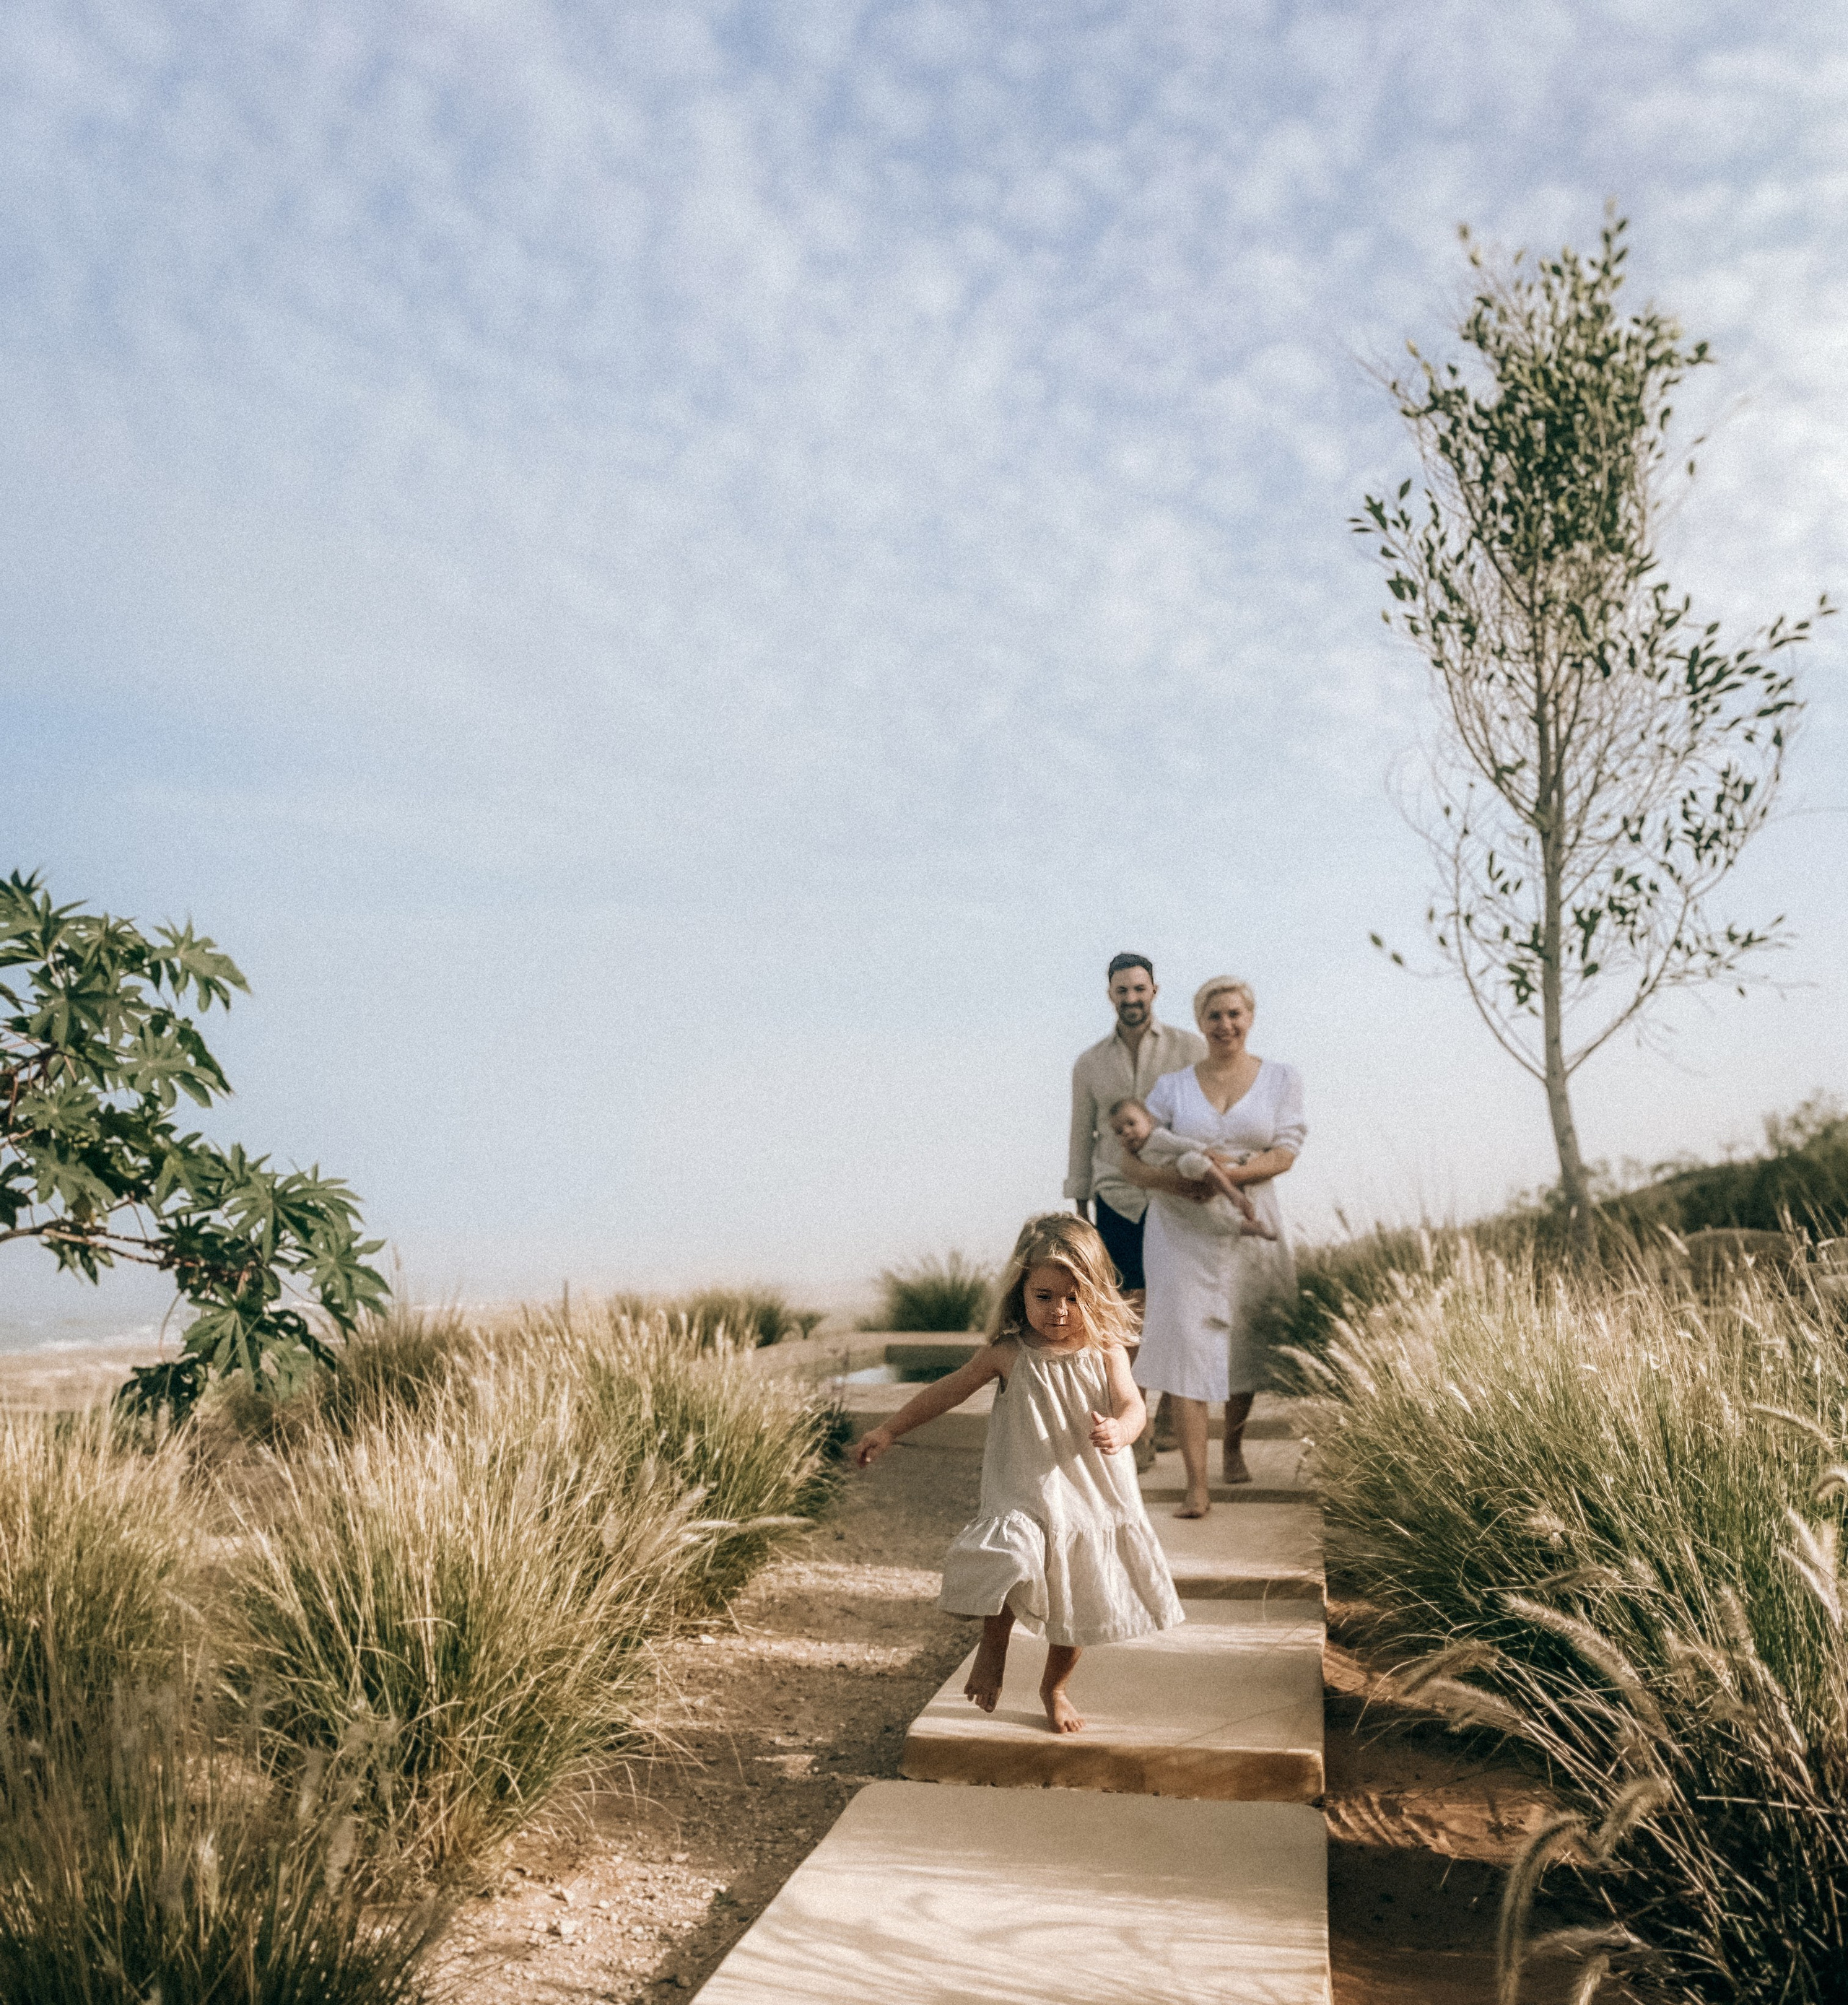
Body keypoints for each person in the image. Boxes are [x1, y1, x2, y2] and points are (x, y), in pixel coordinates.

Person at [854, 1214, 1183, 1734]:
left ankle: (1054, 1687)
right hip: (1024, 1491)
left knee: (1075, 1610)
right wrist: (890, 1429)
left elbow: (1132, 1404)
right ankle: (993, 1647)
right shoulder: (1009, 1353)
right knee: (1010, 1558)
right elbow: (948, 1390)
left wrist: (1122, 1429)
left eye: (1073, 1298)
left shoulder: (1106, 1351)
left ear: (1094, 1294)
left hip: (1088, 1499)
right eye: (1045, 1295)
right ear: (1021, 1292)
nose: (1059, 1311)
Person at [1115, 977, 1304, 1518]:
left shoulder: (1282, 1079)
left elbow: (1287, 1151)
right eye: (1215, 1016)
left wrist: (1234, 1174)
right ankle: (1196, 1484)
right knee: (1186, 1341)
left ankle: (1234, 1446)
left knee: (1247, 1334)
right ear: (1200, 1023)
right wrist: (1182, 1183)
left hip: (1251, 1216)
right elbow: (1133, 1157)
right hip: (1181, 1228)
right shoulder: (1172, 1087)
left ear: (1250, 1016)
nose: (1226, 1024)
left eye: (1235, 1013)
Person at [1065, 954, 1208, 1297]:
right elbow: (1082, 1134)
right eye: (1122, 990)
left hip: (1174, 1190)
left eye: (1139, 989)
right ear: (1110, 994)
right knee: (1123, 1303)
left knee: (1178, 1296)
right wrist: (1082, 1208)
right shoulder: (1089, 1063)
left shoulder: (1190, 1049)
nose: (1131, 998)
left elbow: (1204, 1123)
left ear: (1154, 991)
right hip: (1116, 1196)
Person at [1107, 1097, 1276, 1240]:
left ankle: (1232, 1192)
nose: (1127, 1132)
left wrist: (1204, 1149)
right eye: (1119, 1131)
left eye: (1131, 1123)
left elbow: (1181, 1144)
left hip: (1184, 1168)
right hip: (1176, 1193)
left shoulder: (1157, 1138)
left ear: (1148, 1120)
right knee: (1208, 1222)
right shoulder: (1134, 1157)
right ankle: (1251, 1227)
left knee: (1192, 1161)